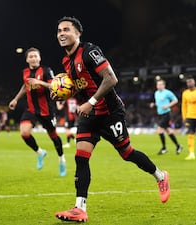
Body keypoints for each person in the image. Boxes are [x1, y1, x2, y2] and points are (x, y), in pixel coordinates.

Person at [52, 16, 170, 222]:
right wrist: (62, 94)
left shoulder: (89, 51)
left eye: (66, 30)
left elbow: (111, 78)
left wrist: (92, 101)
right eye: (59, 30)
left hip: (110, 113)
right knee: (81, 157)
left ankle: (160, 176)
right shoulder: (65, 61)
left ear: (78, 33)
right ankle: (79, 208)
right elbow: (80, 87)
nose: (61, 33)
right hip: (90, 116)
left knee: (127, 153)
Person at [8, 47, 66, 176]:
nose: (33, 58)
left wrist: (39, 82)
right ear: (27, 59)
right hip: (31, 109)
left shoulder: (46, 70)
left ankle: (61, 159)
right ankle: (40, 152)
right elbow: (25, 86)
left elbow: (53, 86)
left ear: (39, 58)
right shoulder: (25, 72)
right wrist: (16, 99)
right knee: (24, 133)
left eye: (35, 56)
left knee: (54, 137)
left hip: (47, 110)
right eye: (31, 56)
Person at [150, 79, 182, 155]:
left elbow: (175, 100)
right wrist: (154, 104)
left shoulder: (167, 92)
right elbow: (159, 103)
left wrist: (168, 105)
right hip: (160, 114)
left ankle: (164, 148)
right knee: (168, 131)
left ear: (164, 85)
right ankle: (178, 146)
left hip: (166, 113)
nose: (159, 86)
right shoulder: (156, 93)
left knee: (159, 130)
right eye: (158, 85)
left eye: (161, 84)